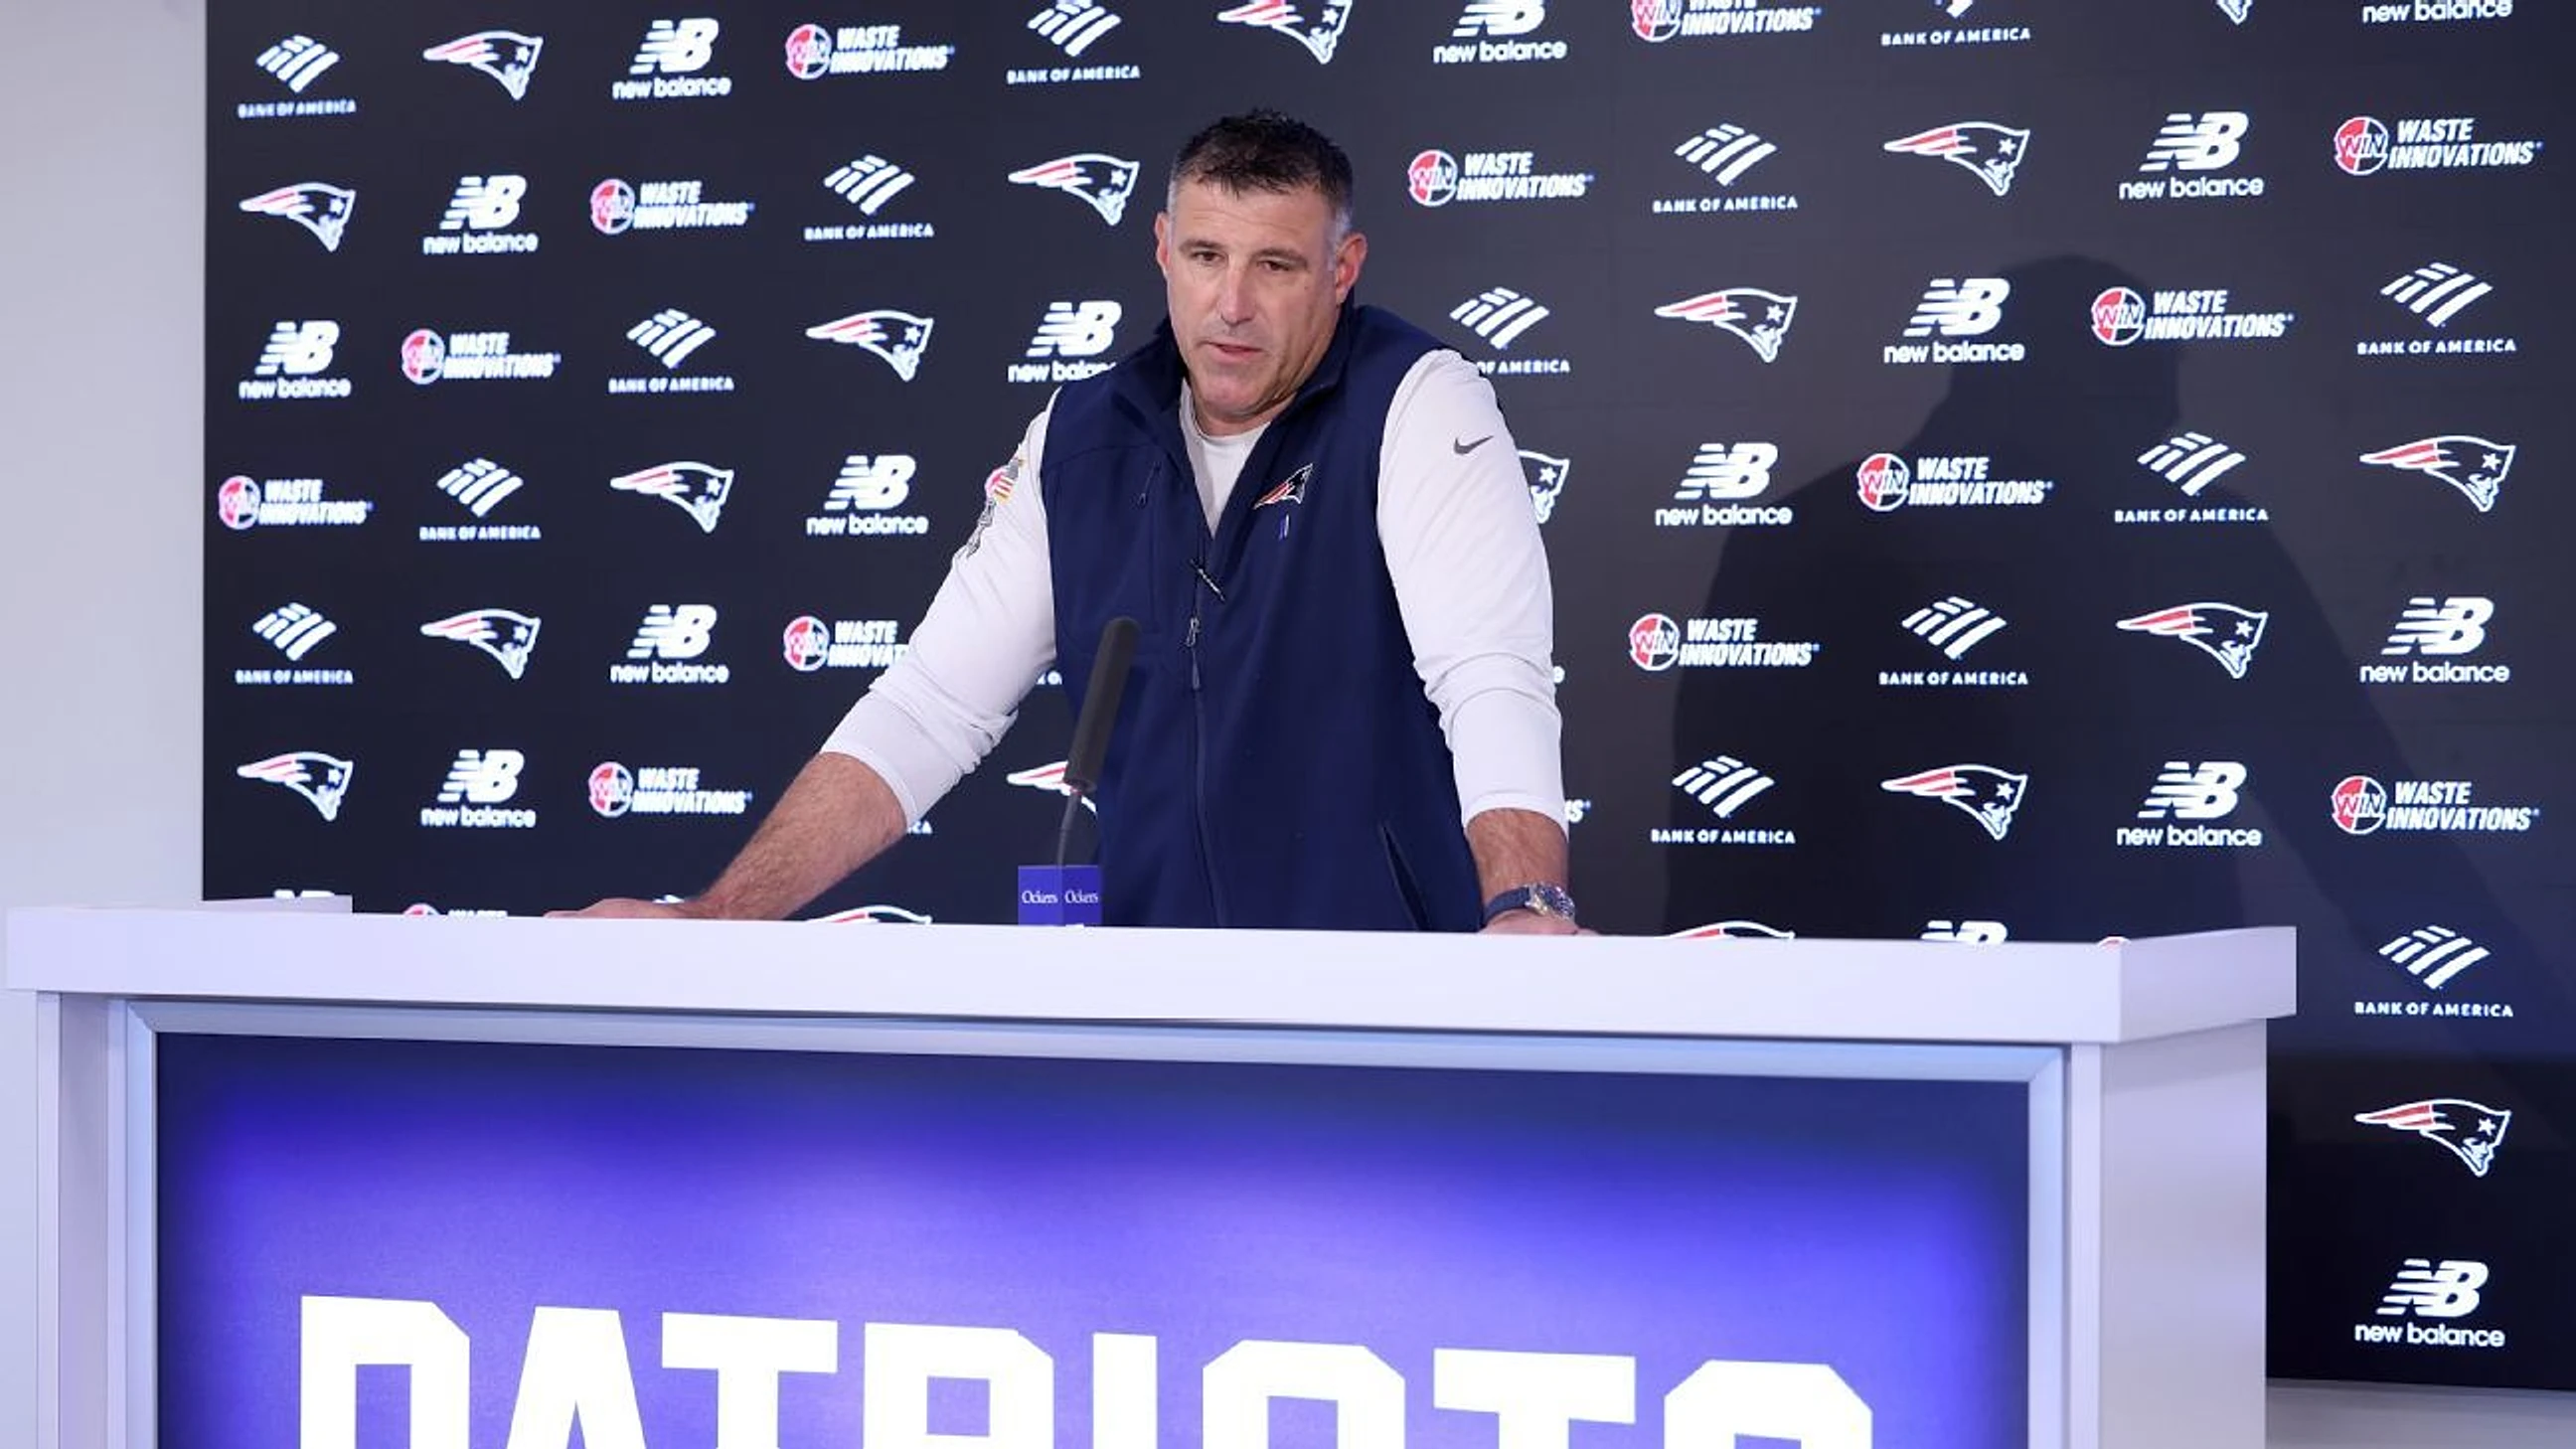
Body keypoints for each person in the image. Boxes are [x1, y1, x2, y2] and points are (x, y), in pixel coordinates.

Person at [564, 110, 1573, 932]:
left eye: (1275, 266)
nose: (1232, 304)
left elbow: (1490, 675)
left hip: (1383, 993)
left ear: (1342, 269)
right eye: (1206, 255)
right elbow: (930, 708)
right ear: (1162, 250)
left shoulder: (1416, 400)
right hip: (1140, 1003)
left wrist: (1527, 907)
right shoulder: (1082, 437)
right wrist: (720, 915)